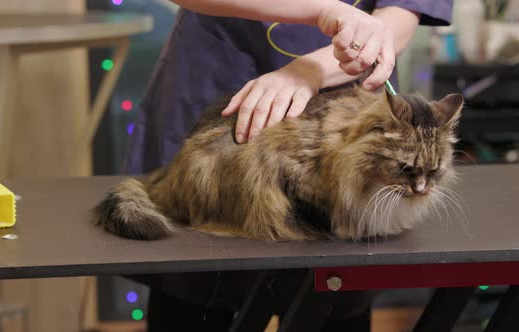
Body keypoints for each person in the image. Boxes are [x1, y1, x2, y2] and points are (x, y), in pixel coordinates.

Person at [124, 0, 454, 330]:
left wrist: (309, 71)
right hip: (219, 79)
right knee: (195, 298)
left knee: (327, 305)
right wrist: (324, 11)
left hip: (346, 105)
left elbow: (399, 17)